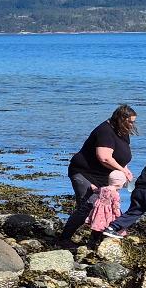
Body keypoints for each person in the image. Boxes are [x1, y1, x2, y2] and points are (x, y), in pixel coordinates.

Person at [59, 104, 138, 244]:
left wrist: (126, 169)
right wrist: (122, 170)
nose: (132, 125)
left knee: (106, 205)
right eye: (130, 122)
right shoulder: (105, 131)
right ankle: (64, 238)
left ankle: (95, 240)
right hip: (84, 173)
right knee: (88, 204)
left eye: (133, 122)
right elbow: (104, 157)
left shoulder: (122, 132)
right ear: (121, 119)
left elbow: (121, 156)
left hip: (104, 176)